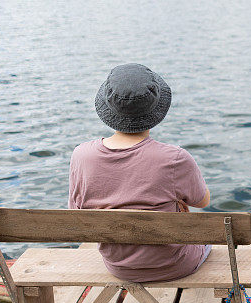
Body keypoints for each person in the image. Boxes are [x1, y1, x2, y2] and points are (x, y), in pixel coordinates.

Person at [68, 63, 212, 282]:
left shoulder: (81, 156)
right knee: (207, 238)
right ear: (156, 109)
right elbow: (202, 201)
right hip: (175, 264)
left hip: (117, 267)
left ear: (108, 108)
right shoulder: (174, 158)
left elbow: (76, 212)